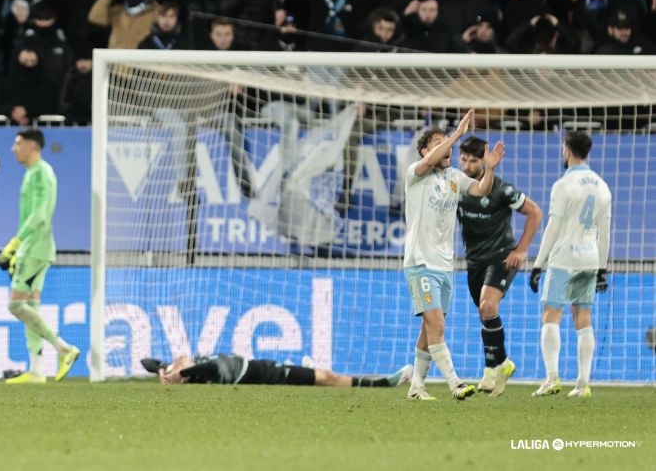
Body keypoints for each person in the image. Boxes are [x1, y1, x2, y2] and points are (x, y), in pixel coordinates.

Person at [403, 109, 504, 401]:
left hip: (444, 266)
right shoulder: (416, 175)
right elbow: (429, 161)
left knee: (428, 328)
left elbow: (481, 191)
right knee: (437, 325)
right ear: (424, 151)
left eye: (446, 141)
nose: (445, 146)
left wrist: (490, 168)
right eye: (438, 142)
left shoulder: (454, 177)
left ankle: (415, 387)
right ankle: (454, 382)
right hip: (420, 262)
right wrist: (457, 134)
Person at [456, 136, 542, 397]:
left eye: (473, 160)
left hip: (501, 256)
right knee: (485, 314)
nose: (467, 165)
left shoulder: (502, 190)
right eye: (464, 159)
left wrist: (521, 249)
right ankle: (501, 364)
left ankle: (491, 369)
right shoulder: (457, 187)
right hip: (474, 260)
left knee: (487, 305)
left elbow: (535, 212)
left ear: (484, 160)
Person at [529, 131, 611, 398]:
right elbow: (605, 232)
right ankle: (582, 384)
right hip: (589, 259)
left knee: (550, 315)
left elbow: (552, 228)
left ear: (567, 151)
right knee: (583, 319)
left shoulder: (563, 185)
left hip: (564, 258)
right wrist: (602, 268)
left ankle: (552, 378)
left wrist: (538, 264)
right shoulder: (602, 186)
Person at [0, 128, 80, 384]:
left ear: (32, 146)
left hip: (36, 247)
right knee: (31, 306)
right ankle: (36, 370)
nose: (14, 148)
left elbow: (40, 215)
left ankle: (64, 349)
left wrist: (16, 242)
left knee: (15, 305)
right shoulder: (32, 173)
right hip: (34, 247)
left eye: (18, 143)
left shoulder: (42, 172)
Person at [147, 355, 413, 388]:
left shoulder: (193, 366)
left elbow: (146, 361)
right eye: (177, 364)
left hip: (267, 366)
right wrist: (178, 373)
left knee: (326, 376)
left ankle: (380, 384)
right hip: (273, 375)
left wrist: (162, 368)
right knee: (327, 377)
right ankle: (383, 385)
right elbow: (209, 367)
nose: (179, 358)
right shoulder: (204, 372)